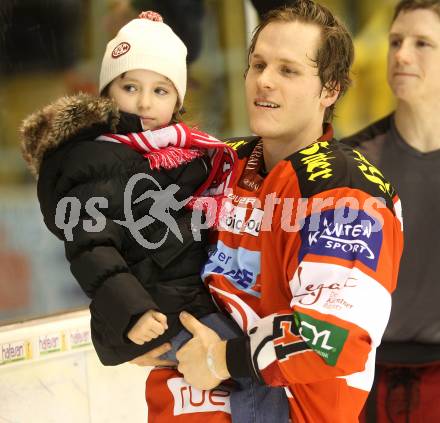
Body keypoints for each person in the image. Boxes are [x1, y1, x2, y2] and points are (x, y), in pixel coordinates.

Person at [134, 2, 404, 422]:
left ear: (330, 89)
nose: (264, 81)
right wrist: (130, 323)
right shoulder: (218, 163)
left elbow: (336, 337)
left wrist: (225, 360)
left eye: (288, 70)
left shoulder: (347, 190)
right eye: (258, 64)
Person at [20, 11, 289, 423]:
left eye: (160, 90)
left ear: (178, 99)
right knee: (249, 366)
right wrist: (132, 313)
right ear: (108, 93)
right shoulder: (96, 160)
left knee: (258, 357)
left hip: (189, 298)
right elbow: (92, 248)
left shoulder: (184, 153)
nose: (145, 102)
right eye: (130, 87)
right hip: (159, 308)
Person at [341, 1, 440, 421]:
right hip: (368, 378)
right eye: (395, 41)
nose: (401, 54)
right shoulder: (353, 163)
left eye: (422, 43)